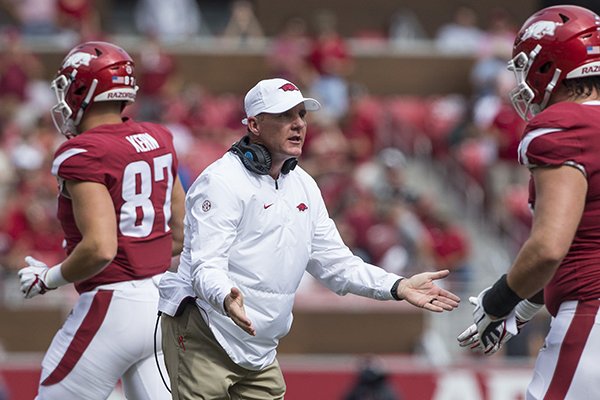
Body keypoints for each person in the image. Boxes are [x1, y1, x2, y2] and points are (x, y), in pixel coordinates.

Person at [158, 77, 461, 399]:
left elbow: (336, 264)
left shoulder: (303, 184)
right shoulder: (220, 181)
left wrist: (397, 286)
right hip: (206, 331)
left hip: (260, 347)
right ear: (254, 125)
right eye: (285, 116)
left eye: (301, 115)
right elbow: (206, 264)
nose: (298, 124)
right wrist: (225, 296)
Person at [17, 41, 185, 399]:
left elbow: (100, 248)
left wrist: (48, 278)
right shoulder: (158, 137)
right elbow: (179, 233)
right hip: (160, 305)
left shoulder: (83, 151)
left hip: (112, 306)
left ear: (83, 89)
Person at [457, 5, 600, 399]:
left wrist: (498, 300)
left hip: (591, 314)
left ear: (549, 63)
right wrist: (521, 308)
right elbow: (578, 238)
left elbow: (550, 247)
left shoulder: (565, 124)